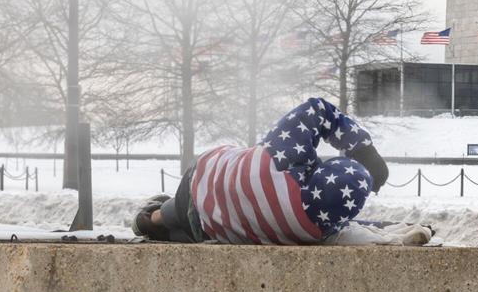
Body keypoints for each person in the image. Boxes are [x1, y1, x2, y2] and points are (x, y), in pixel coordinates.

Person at [133, 97, 420, 245]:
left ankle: (152, 218)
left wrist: (362, 148)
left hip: (202, 181)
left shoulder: (286, 158)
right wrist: (385, 225)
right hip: (212, 229)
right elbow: (348, 229)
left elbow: (317, 109)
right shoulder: (313, 229)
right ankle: (163, 228)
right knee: (193, 228)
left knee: (179, 208)